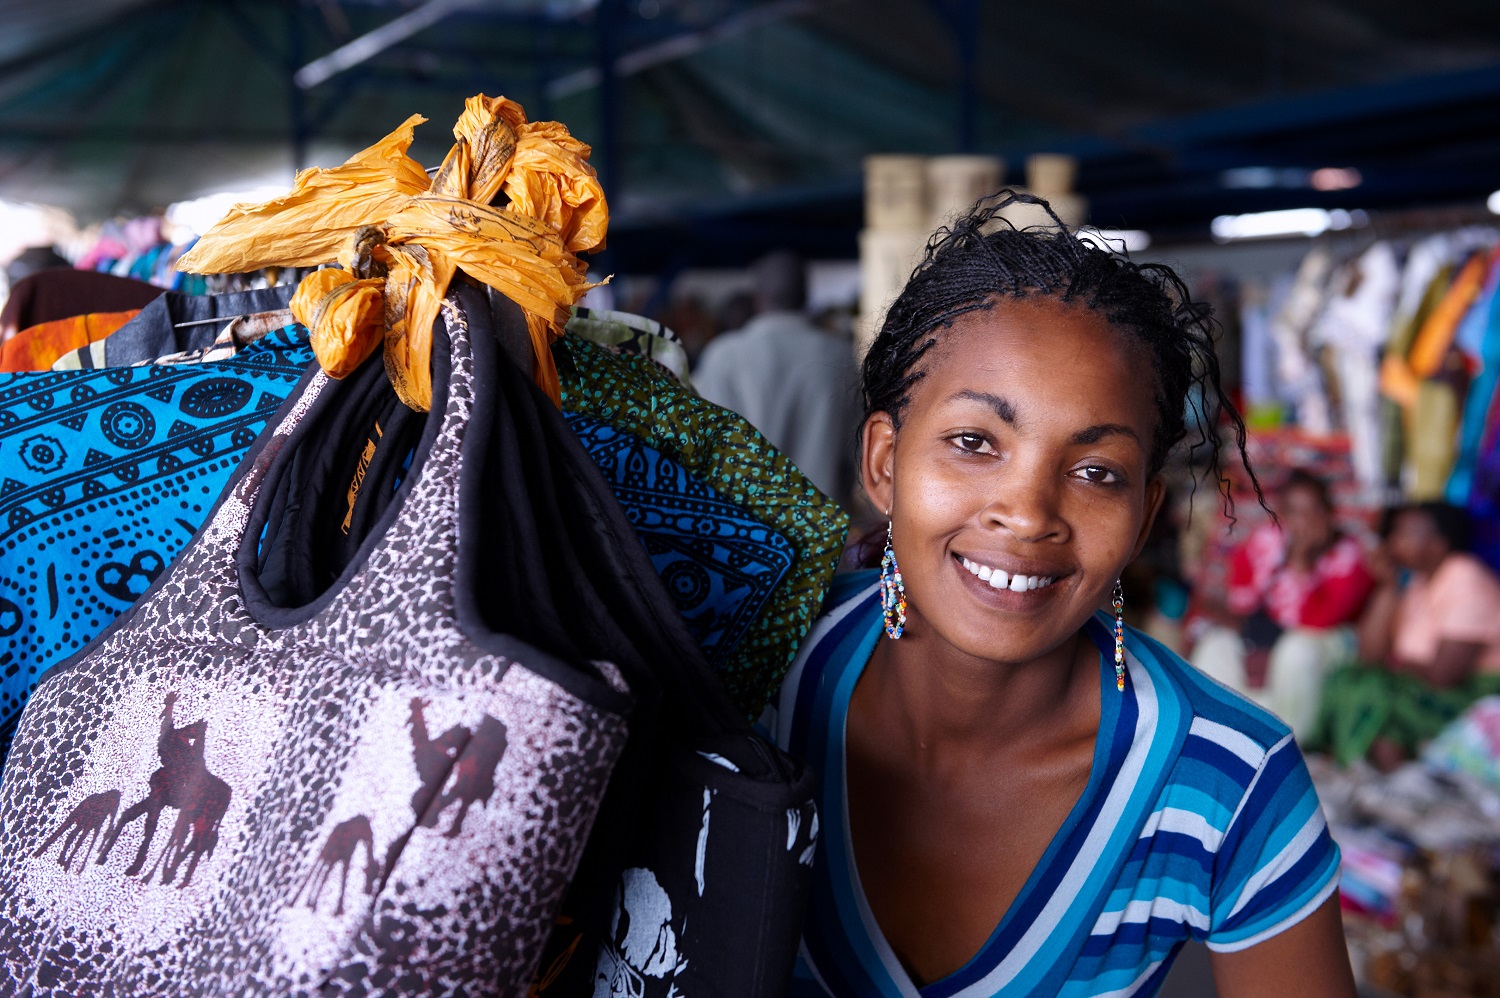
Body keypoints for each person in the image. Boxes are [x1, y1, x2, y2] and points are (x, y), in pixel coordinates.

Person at [767, 192, 1354, 996]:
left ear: (1143, 513)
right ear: (884, 464)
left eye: (1095, 472)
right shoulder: (752, 667)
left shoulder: (1231, 782)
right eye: (975, 443)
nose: (1030, 513)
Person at [1190, 469, 1375, 741]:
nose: (1303, 522)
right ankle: (1216, 738)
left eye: (1312, 511)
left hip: (1323, 642)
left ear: (1329, 513)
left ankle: (1290, 743)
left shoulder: (1350, 556)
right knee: (1216, 645)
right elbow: (1241, 605)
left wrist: (1300, 563)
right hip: (1264, 638)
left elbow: (1318, 621)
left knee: (1295, 650)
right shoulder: (1264, 543)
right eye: (1293, 512)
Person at [1313, 501, 1500, 768]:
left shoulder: (1464, 577)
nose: (1393, 541)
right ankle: (1343, 765)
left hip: (1472, 692)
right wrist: (1387, 585)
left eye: (1405, 533)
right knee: (1348, 677)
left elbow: (1444, 675)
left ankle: (1371, 775)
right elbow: (1371, 654)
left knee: (1378, 694)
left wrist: (1396, 664)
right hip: (1420, 683)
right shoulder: (1418, 581)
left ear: (1437, 544)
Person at [693, 250, 859, 505]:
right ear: (806, 295)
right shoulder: (840, 357)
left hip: (745, 526)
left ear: (757, 296)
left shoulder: (723, 356)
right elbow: (856, 453)